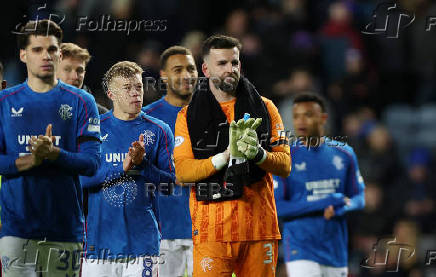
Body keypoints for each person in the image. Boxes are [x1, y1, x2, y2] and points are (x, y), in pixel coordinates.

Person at [174, 34, 291, 276]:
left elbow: (285, 164)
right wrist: (226, 155)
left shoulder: (266, 108)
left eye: (235, 63)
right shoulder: (187, 116)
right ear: (206, 69)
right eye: (222, 63)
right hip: (211, 232)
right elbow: (183, 173)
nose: (231, 69)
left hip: (259, 230)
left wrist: (258, 154)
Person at [0, 19, 101, 277]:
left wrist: (55, 154)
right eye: (37, 50)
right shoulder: (4, 102)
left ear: (59, 53)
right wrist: (31, 160)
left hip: (65, 231)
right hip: (16, 232)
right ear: (23, 55)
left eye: (52, 49)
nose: (46, 56)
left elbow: (92, 164)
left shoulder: (82, 101)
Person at [80, 61, 175, 277]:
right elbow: (80, 180)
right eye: (127, 88)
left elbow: (169, 184)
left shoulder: (159, 130)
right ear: (111, 94)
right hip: (99, 245)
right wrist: (120, 168)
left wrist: (142, 164)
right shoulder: (93, 129)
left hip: (143, 246)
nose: (135, 93)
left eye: (139, 87)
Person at [274, 93, 365, 277]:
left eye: (307, 115)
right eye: (296, 116)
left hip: (335, 250)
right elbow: (278, 207)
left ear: (323, 118)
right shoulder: (285, 157)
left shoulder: (344, 153)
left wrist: (341, 207)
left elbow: (359, 198)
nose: (300, 121)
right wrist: (323, 202)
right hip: (301, 249)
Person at [142, 46, 197, 277]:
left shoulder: (215, 114)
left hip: (205, 231)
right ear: (163, 75)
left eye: (191, 68)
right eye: (178, 69)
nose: (186, 75)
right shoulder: (146, 118)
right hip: (160, 233)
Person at [57, 42, 109, 114]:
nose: (75, 77)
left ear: (84, 73)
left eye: (79, 70)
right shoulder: (39, 107)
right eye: (67, 69)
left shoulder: (101, 115)